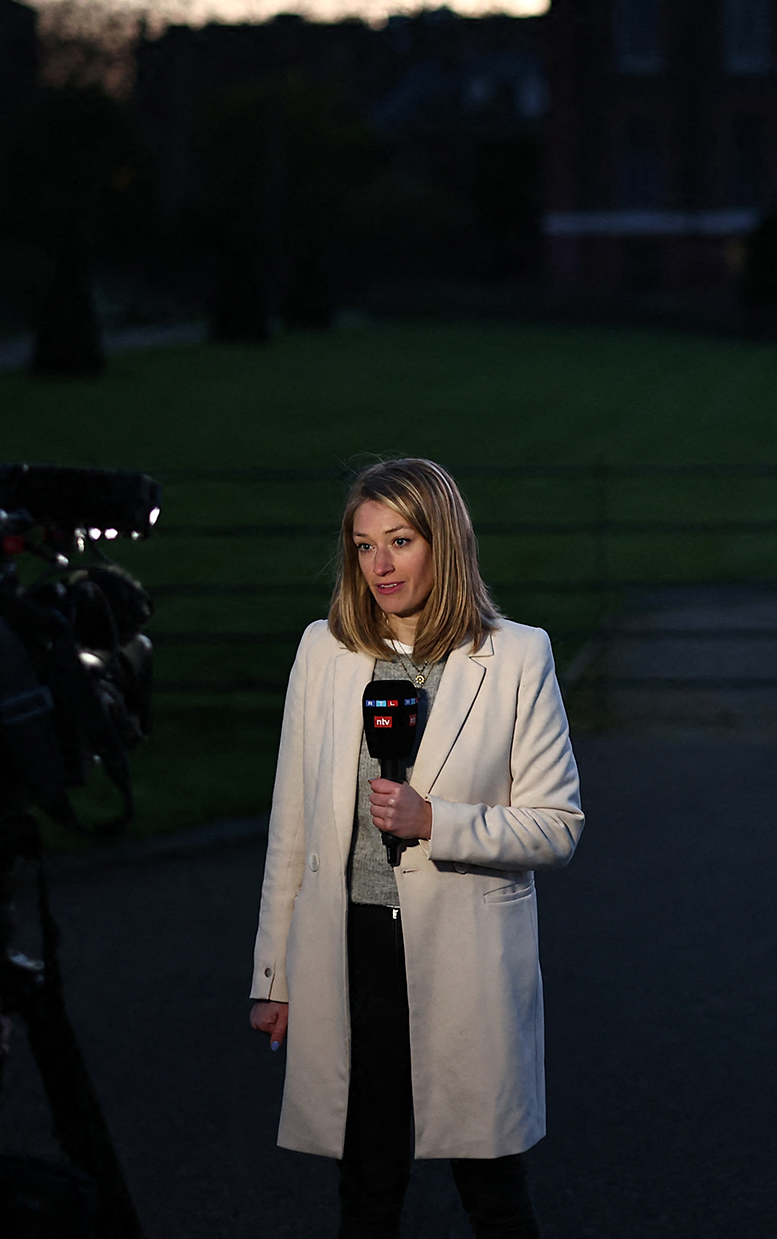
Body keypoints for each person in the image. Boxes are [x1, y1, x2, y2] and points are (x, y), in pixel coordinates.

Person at [249, 457, 583, 1239]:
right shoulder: (323, 652)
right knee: (365, 1186)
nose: (381, 565)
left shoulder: (516, 658)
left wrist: (436, 821)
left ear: (445, 542)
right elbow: (289, 829)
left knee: (492, 1188)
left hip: (464, 957)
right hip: (349, 950)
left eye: (399, 540)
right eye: (364, 546)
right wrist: (275, 974)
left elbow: (558, 825)